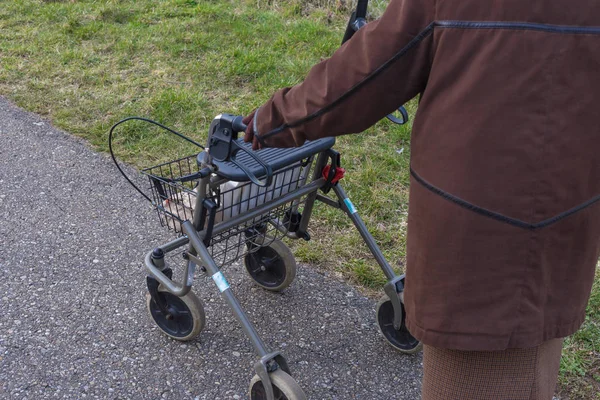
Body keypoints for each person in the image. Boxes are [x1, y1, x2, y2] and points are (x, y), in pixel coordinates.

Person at [241, 0, 600, 399]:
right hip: (569, 215)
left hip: (476, 234)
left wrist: (268, 120)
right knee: (534, 361)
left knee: (475, 377)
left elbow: (363, 75)